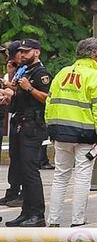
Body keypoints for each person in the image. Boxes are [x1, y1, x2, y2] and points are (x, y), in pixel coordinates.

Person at [44, 38, 97, 227]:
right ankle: (77, 221)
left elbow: (49, 103)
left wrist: (51, 128)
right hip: (86, 136)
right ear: (95, 54)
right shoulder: (95, 77)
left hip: (60, 134)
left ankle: (53, 221)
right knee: (82, 177)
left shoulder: (62, 74)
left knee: (60, 176)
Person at [4, 39, 52, 227]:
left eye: (26, 51)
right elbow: (18, 93)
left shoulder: (41, 73)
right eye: (21, 52)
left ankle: (37, 214)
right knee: (21, 169)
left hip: (32, 125)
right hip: (19, 122)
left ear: (37, 52)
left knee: (31, 171)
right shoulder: (24, 71)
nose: (22, 55)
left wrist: (29, 88)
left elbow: (47, 98)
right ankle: (26, 212)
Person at [2, 41, 25, 207]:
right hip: (15, 115)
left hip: (27, 119)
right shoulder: (16, 69)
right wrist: (10, 74)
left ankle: (24, 194)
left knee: (25, 159)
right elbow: (12, 89)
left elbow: (16, 91)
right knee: (14, 156)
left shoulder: (30, 70)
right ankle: (12, 191)